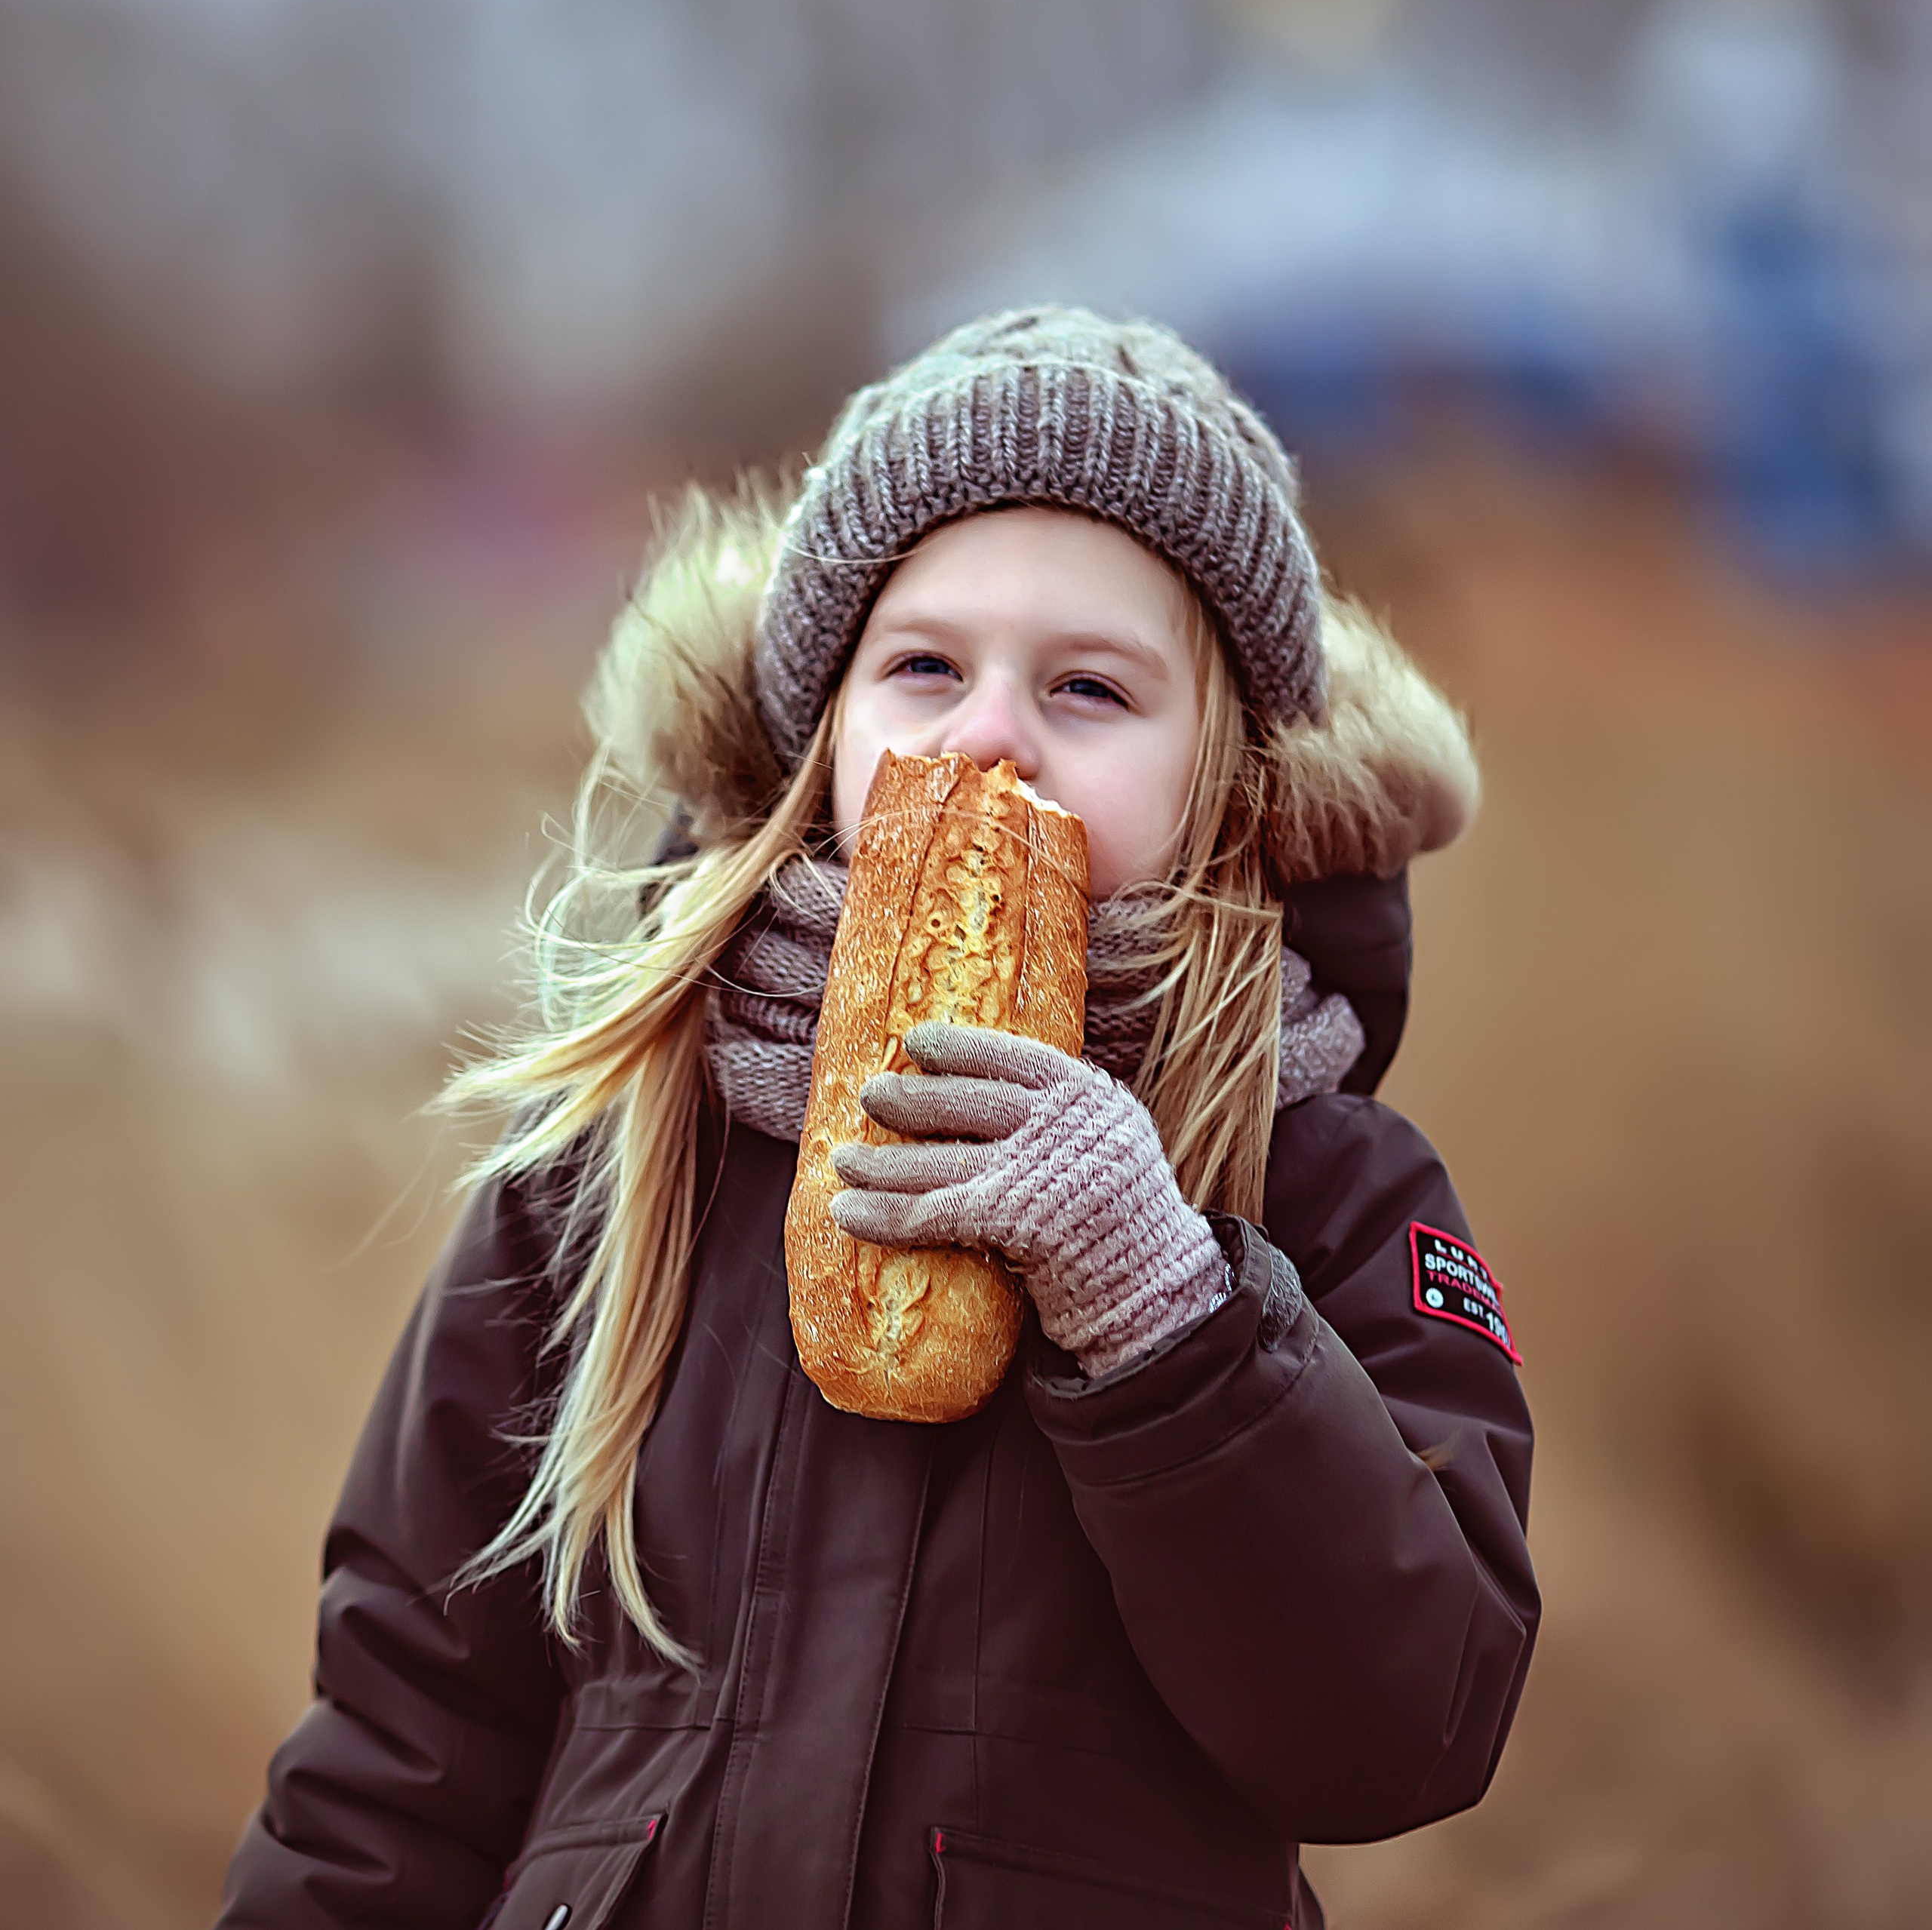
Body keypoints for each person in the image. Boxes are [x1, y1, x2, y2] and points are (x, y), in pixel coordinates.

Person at [216, 307, 1537, 1930]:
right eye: (922, 665)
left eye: (1090, 688)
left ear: (1223, 780)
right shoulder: (621, 1159)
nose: (987, 733)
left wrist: (1162, 1308)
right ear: (820, 736)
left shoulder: (1319, 1177)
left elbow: (1400, 1727)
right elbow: (398, 1742)